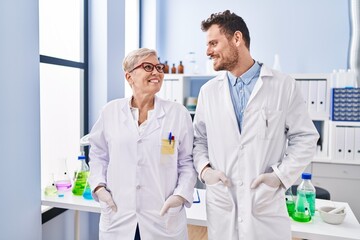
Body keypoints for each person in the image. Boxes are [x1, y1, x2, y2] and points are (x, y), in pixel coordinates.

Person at [193, 10, 319, 240]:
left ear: (237, 39)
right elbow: (199, 140)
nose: (207, 51)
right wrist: (205, 170)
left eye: (213, 43)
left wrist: (280, 177)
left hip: (264, 206)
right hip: (223, 203)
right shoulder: (208, 92)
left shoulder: (283, 86)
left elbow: (306, 137)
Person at [88, 48, 197, 240]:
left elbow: (186, 162)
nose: (156, 72)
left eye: (159, 67)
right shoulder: (110, 112)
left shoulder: (177, 114)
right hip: (118, 215)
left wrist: (179, 196)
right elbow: (98, 155)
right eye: (148, 67)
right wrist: (98, 187)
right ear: (129, 77)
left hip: (163, 218)